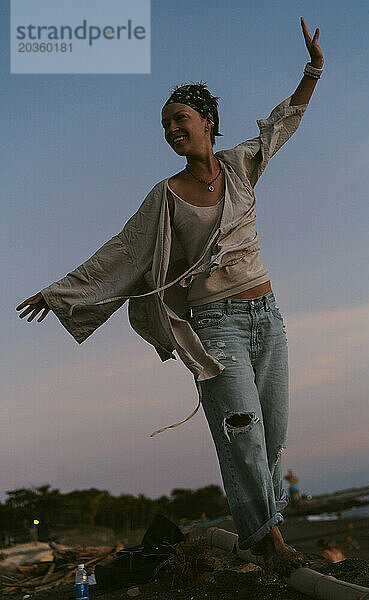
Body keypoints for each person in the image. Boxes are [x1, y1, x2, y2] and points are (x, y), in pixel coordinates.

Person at [16, 17, 324, 574]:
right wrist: (62, 292)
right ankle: (270, 542)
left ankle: (262, 532)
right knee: (244, 436)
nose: (171, 131)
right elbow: (120, 253)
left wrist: (313, 70)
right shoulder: (166, 196)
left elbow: (283, 125)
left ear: (208, 123)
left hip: (267, 318)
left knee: (274, 435)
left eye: (179, 120)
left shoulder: (240, 166)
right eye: (164, 126)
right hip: (217, 326)